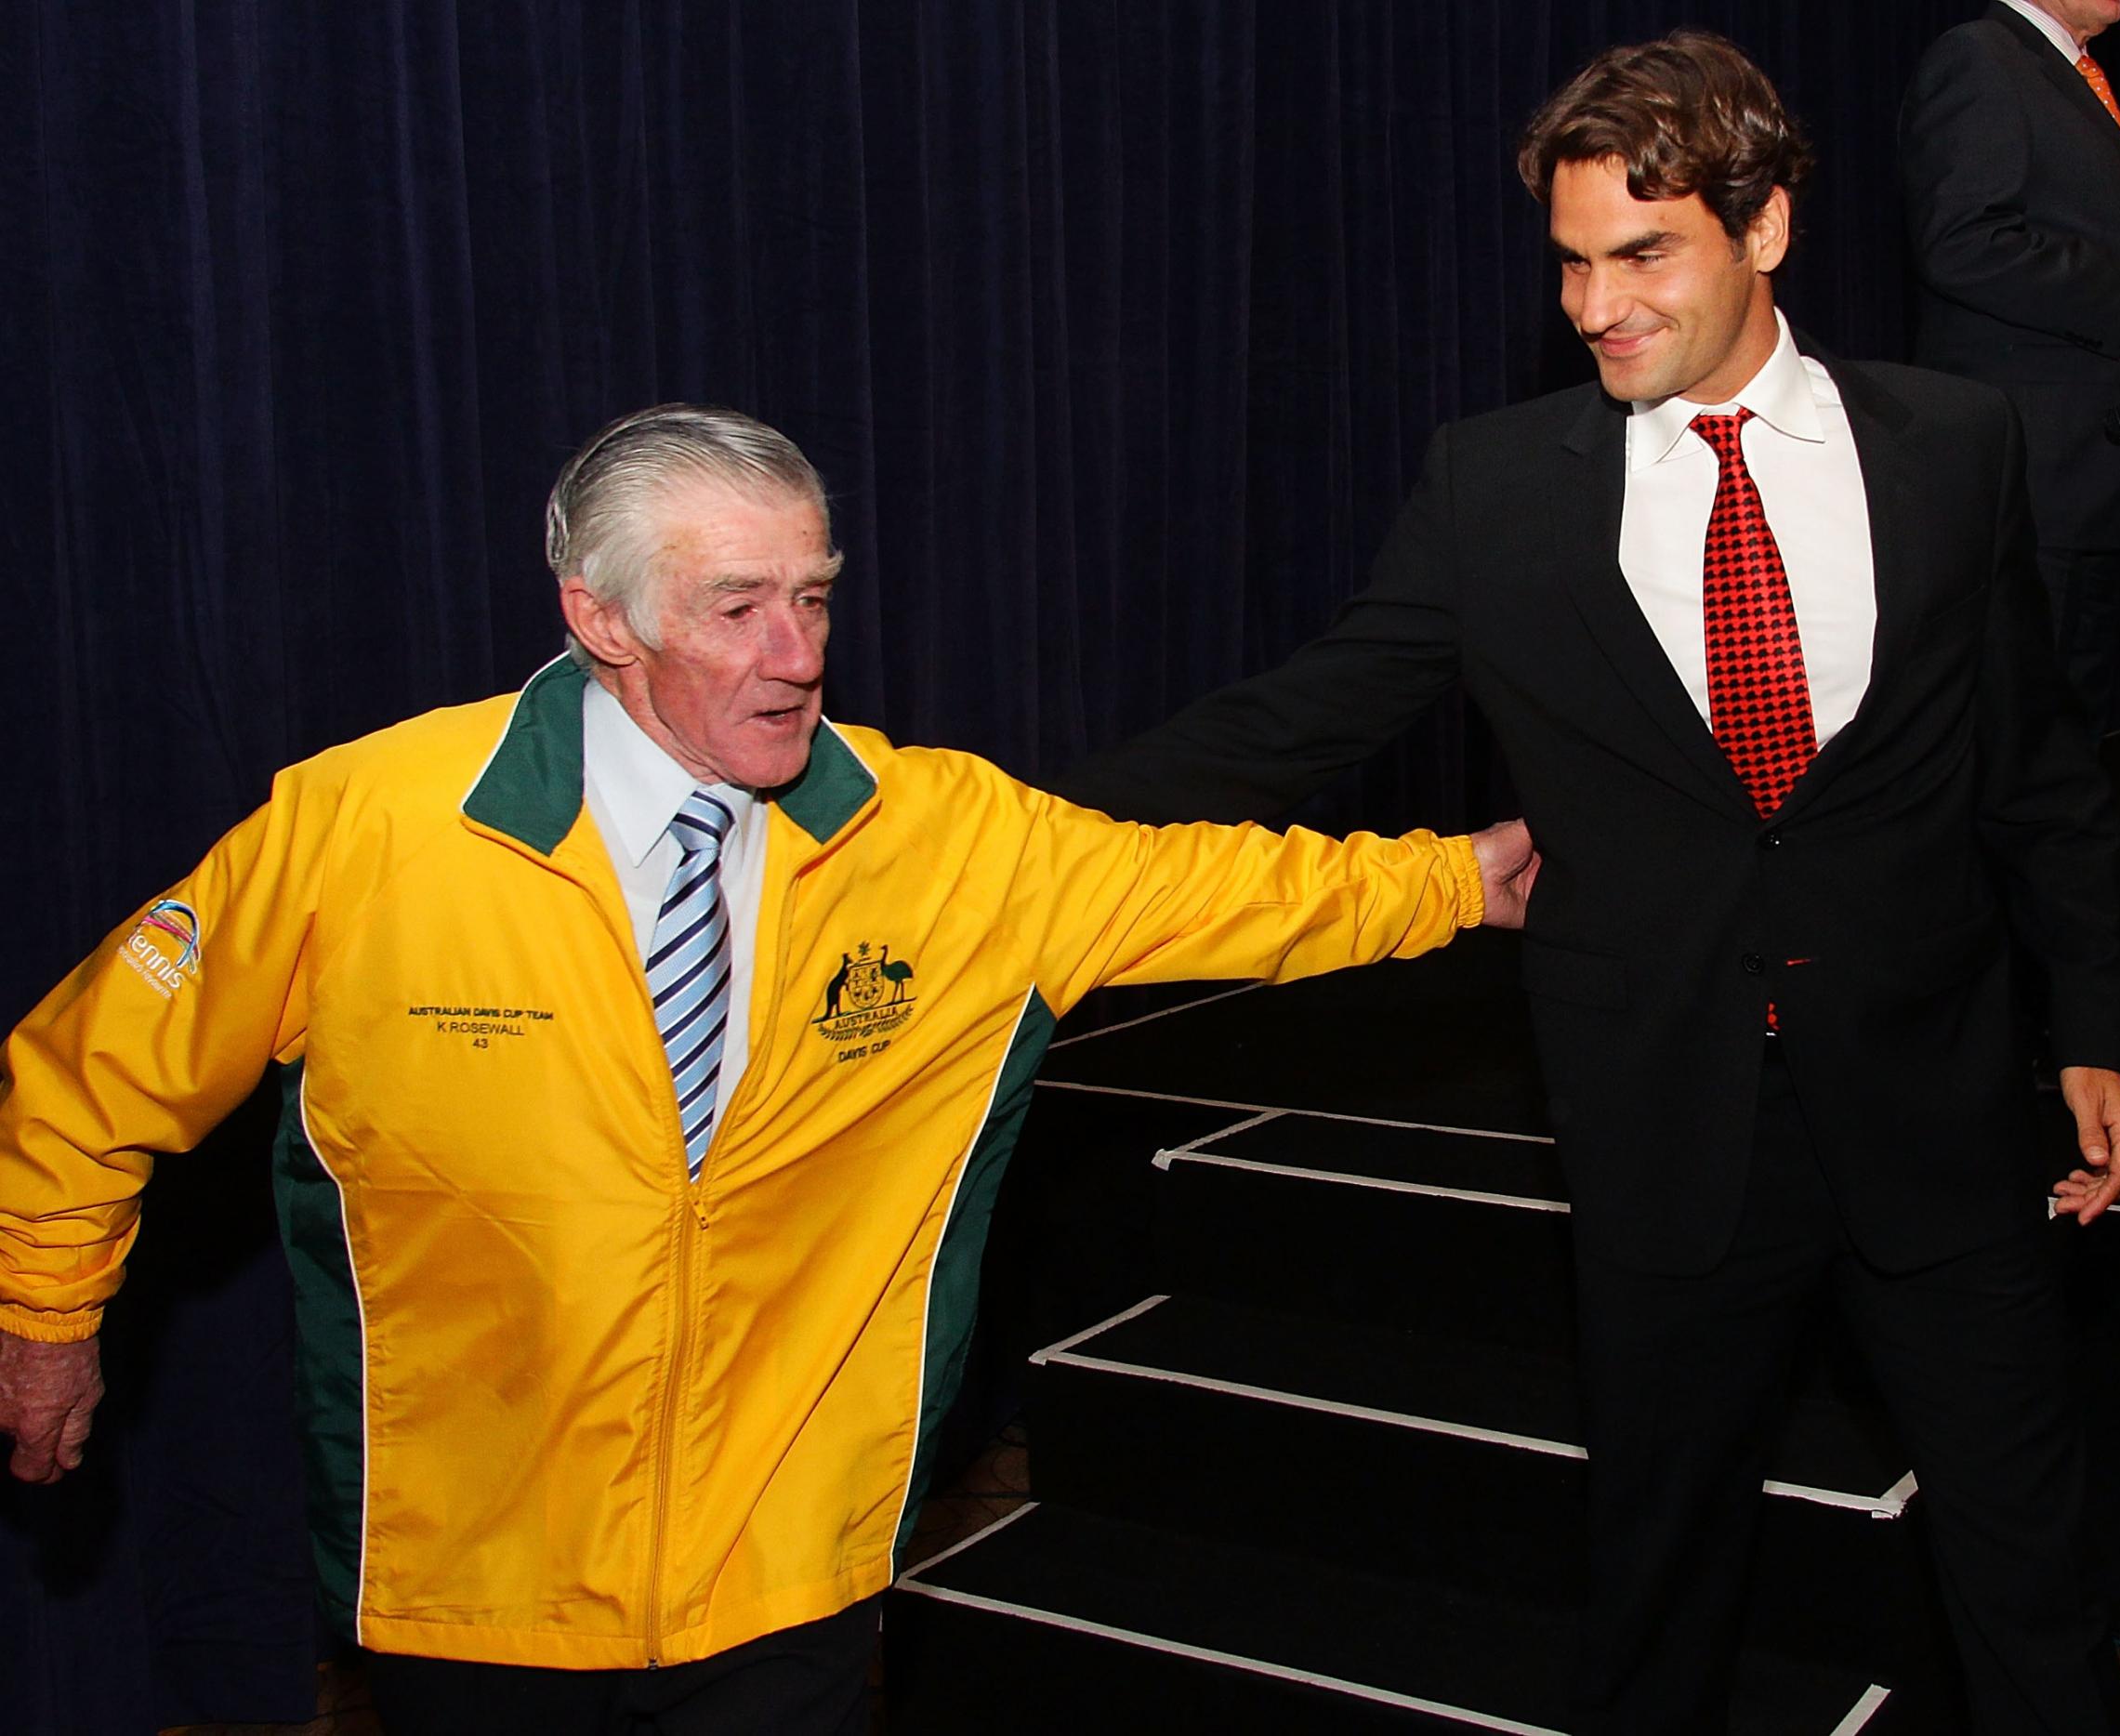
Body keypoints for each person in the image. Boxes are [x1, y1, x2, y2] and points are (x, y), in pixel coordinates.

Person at [0, 403, 1538, 1735]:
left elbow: (1217, 887)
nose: (797, 654)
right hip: (477, 1571)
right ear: (600, 615)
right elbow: (87, 1078)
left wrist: (1461, 877)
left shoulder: (941, 835)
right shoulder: (371, 829)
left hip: (790, 1559)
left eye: (814, 596)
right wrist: (44, 1318)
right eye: (739, 607)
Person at [1050, 32, 2120, 1735]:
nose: (1593, 304)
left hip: (1936, 1112)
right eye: (1571, 261)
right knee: (1659, 1577)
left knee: (2028, 1569)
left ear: (1765, 227)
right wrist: (973, 817)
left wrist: (2094, 1023)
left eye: (1643, 255)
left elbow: (2039, 771)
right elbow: (1301, 719)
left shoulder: (1956, 443)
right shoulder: (1500, 493)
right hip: (1664, 1125)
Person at [1901, 0, 2120, 736]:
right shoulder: (1981, 57)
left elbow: (2099, 245)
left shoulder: (2075, 76)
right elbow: (1962, 243)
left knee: (2068, 759)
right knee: (2023, 762)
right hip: (2033, 487)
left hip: (2100, 484)